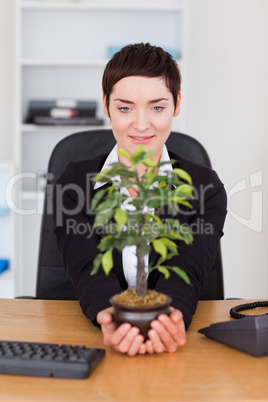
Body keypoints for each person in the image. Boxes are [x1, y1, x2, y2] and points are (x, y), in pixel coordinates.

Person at [53, 43, 227, 356]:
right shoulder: (72, 182)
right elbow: (88, 268)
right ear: (106, 106)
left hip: (177, 344)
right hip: (93, 341)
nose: (142, 124)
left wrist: (170, 321)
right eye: (125, 107)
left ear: (176, 105)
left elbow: (187, 269)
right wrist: (112, 319)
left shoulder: (206, 187)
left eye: (157, 107)